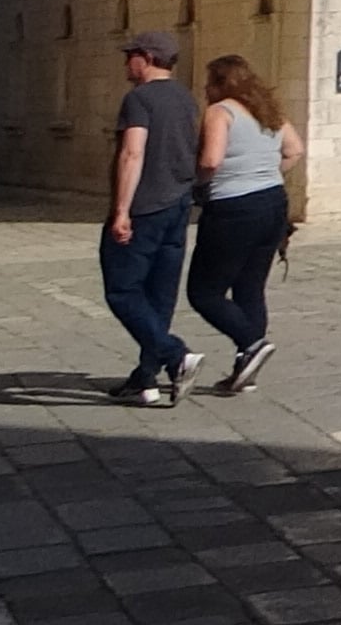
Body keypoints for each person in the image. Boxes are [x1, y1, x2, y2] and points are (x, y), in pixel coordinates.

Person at [186, 54, 303, 395]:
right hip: (272, 202)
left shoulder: (220, 112)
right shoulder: (270, 111)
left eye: (210, 82)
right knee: (249, 287)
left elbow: (211, 160)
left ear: (223, 84)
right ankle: (246, 367)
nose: (206, 89)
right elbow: (295, 150)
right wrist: (264, 174)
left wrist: (197, 183)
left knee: (204, 292)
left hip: (233, 206)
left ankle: (251, 343)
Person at [101, 29, 206, 405]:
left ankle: (176, 356)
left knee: (122, 290)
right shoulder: (186, 98)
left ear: (145, 57)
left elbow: (133, 153)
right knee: (159, 295)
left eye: (130, 54)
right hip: (178, 204)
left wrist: (121, 211)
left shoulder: (139, 99)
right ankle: (146, 379)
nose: (126, 62)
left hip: (145, 204)